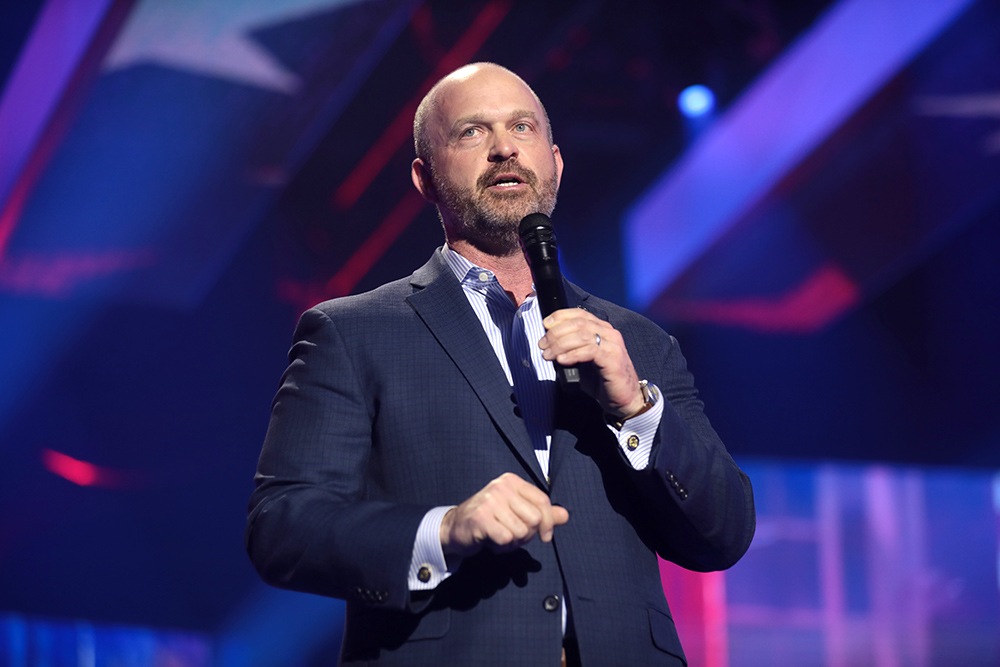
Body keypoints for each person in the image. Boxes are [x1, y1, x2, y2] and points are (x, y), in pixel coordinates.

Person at [246, 62, 755, 666]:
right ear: (424, 178)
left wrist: (636, 409)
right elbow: (283, 527)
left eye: (522, 127)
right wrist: (445, 529)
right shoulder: (353, 332)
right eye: (471, 132)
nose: (504, 148)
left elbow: (723, 534)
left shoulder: (637, 344)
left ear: (556, 163)